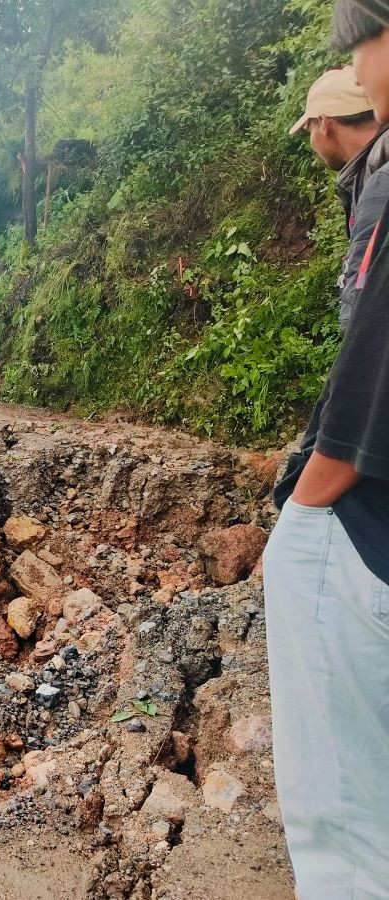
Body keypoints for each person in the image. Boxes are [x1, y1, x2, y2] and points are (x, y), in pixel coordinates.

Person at [263, 4, 389, 896]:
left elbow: (374, 349)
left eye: (362, 46)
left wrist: (314, 485)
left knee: (339, 795)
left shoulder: (382, 181)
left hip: (368, 492)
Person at [294, 65, 389, 329]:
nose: (311, 142)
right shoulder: (370, 170)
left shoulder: (382, 180)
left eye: (309, 129)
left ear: (324, 123)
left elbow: (364, 304)